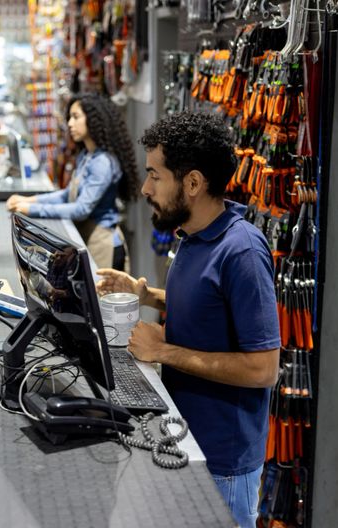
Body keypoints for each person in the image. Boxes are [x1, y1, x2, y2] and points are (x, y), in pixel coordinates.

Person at [96, 112, 280, 528]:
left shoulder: (243, 252)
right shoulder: (194, 236)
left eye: (155, 176)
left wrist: (163, 351)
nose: (145, 188)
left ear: (193, 183)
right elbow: (207, 306)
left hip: (223, 464)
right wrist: (147, 296)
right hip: (187, 439)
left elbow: (263, 369)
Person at [5, 93, 138, 271]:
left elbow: (81, 209)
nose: (69, 123)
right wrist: (29, 200)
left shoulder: (102, 162)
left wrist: (32, 209)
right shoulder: (87, 156)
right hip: (89, 239)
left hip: (104, 245)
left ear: (93, 119)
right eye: (69, 117)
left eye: (76, 117)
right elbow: (67, 194)